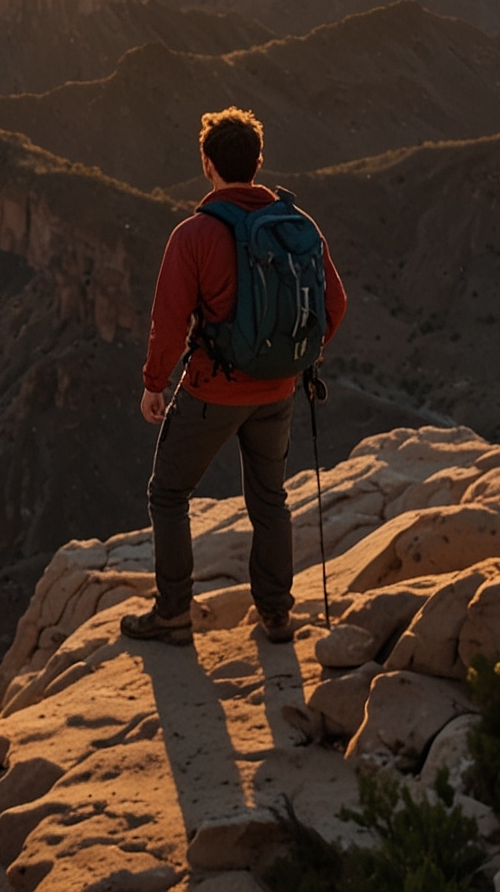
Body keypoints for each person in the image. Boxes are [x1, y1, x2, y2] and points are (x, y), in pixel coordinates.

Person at [119, 107, 346, 645]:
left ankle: (173, 614)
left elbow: (169, 322)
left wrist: (154, 384)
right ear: (258, 163)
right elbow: (334, 304)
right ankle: (276, 614)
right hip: (278, 391)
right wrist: (291, 357)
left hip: (212, 392)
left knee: (169, 494)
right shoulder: (297, 225)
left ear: (207, 164)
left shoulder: (194, 234)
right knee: (270, 501)